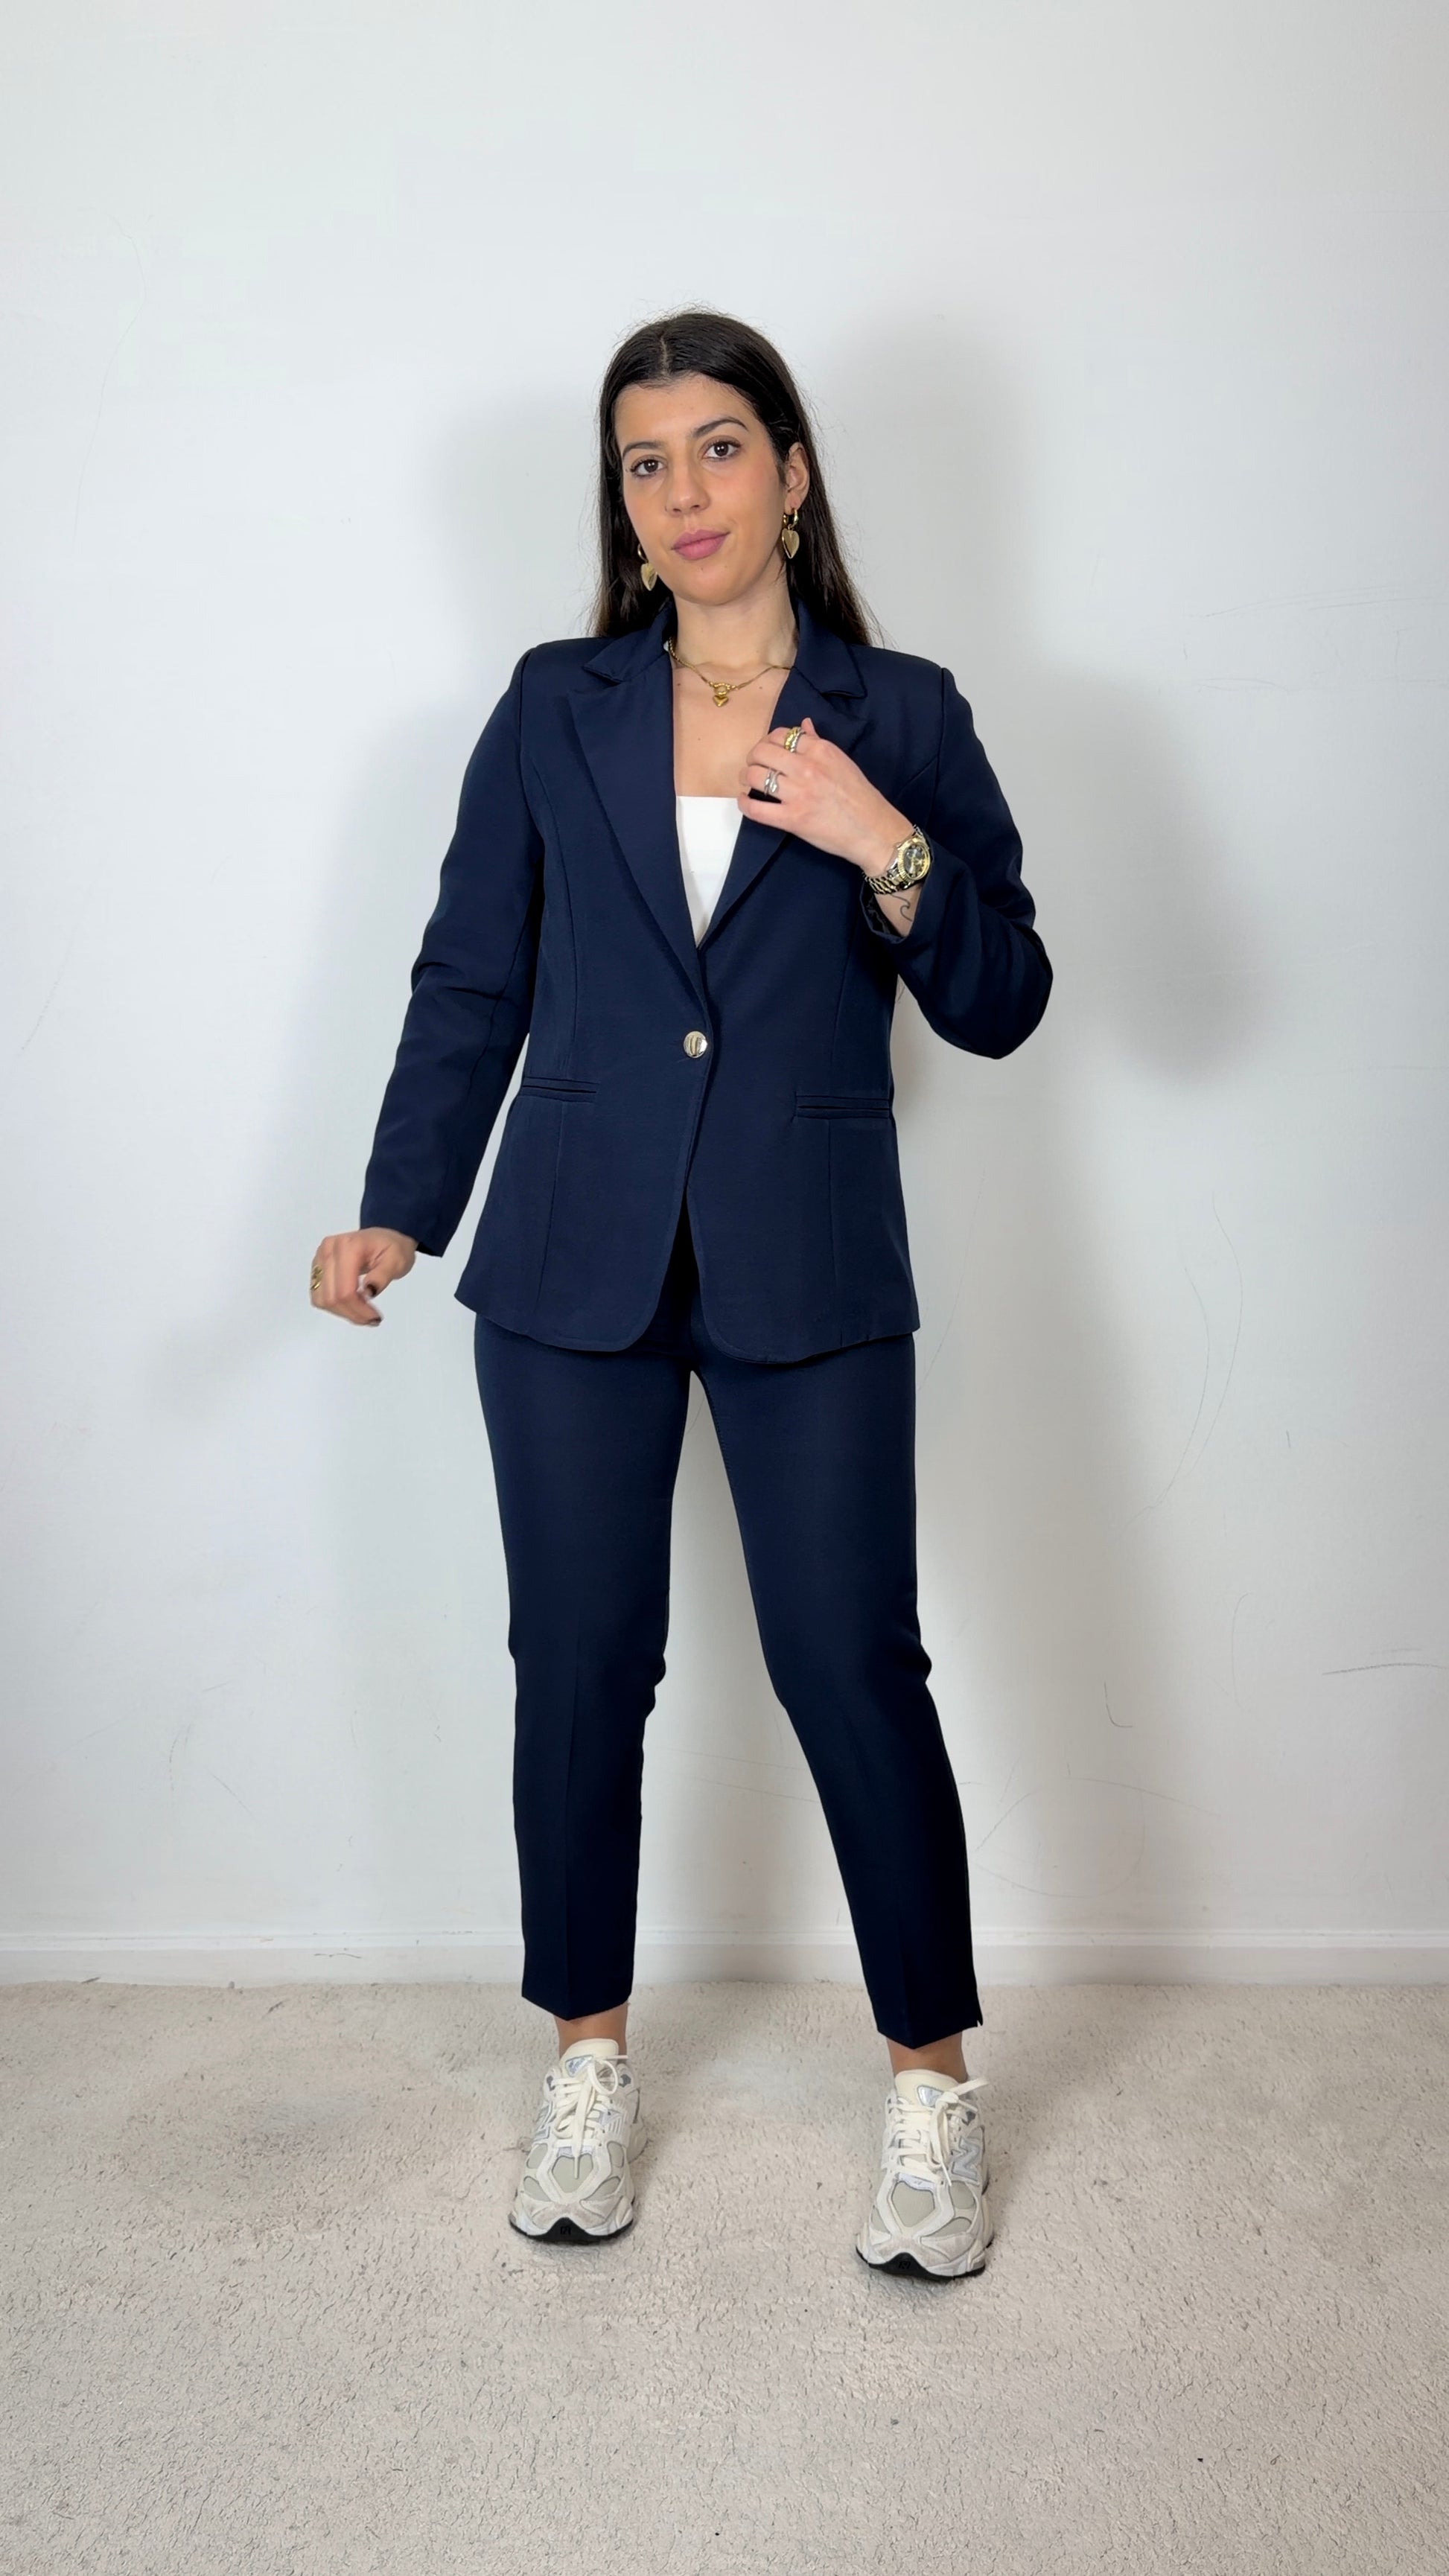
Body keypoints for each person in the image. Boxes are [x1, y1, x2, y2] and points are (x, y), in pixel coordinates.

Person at [310, 307, 1052, 2278]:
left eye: (720, 447)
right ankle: (585, 2062)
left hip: (811, 1257)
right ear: (621, 504)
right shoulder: (554, 704)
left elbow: (1001, 999)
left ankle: (930, 2084)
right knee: (579, 1666)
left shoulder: (902, 714)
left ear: (791, 474)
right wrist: (399, 1205)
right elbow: (472, 971)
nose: (684, 490)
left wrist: (886, 846)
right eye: (645, 461)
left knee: (848, 1661)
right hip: (571, 1253)